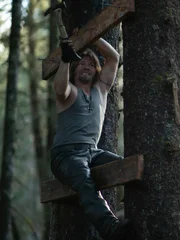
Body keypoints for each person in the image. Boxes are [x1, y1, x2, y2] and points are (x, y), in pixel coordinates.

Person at [50, 37, 132, 240]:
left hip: (92, 152)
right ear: (75, 69)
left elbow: (113, 57)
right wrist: (66, 60)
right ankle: (111, 229)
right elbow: (60, 88)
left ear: (96, 70)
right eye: (81, 64)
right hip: (66, 155)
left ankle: (133, 211)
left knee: (128, 167)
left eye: (90, 64)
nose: (85, 66)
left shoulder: (101, 89)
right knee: (84, 180)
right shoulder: (69, 92)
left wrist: (90, 37)